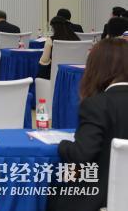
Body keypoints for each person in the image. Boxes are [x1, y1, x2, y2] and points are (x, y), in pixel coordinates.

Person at [48, 38, 128, 211]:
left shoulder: (97, 105)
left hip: (99, 198)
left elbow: (81, 154)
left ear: (98, 68)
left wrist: (62, 145)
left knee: (50, 190)